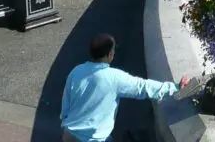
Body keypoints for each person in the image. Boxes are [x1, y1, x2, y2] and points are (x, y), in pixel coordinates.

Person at [61, 33, 189, 142]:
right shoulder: (114, 77)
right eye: (113, 51)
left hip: (69, 136)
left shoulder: (76, 71)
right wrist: (176, 87)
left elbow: (65, 107)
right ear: (109, 54)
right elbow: (143, 87)